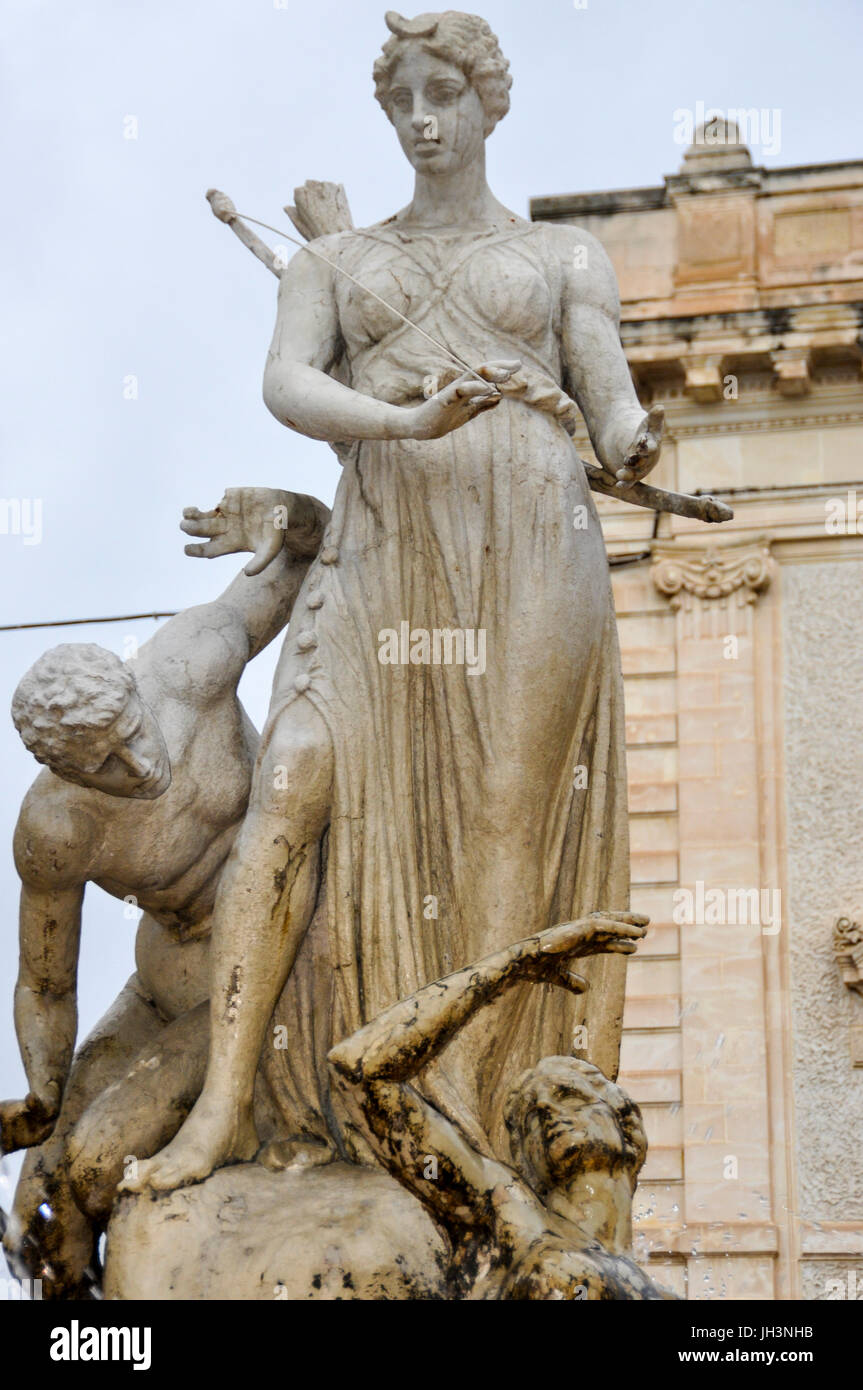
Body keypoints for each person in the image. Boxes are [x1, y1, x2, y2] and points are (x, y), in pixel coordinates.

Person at [125, 9, 664, 1194]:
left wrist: (633, 442)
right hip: (385, 542)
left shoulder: (565, 255)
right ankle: (222, 1105)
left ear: (488, 103)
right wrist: (403, 422)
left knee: (506, 820)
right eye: (402, 99)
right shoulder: (334, 262)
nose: (423, 118)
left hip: (529, 537)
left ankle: (461, 1117)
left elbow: (609, 392)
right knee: (293, 779)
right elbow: (288, 384)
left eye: (446, 94)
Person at [1, 487, 327, 1296]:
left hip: (264, 948)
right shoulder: (55, 829)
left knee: (97, 1162)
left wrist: (285, 511)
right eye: (102, 764)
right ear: (60, 769)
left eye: (133, 732)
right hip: (163, 970)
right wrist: (44, 1090)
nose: (138, 765)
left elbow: (311, 551)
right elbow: (45, 981)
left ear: (137, 691)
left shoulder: (191, 659)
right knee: (35, 1214)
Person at [328, 911, 675, 1300]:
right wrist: (520, 961)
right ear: (523, 1154)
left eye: (567, 1095)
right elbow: (359, 1068)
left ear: (628, 1126)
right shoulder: (510, 1211)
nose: (548, 1113)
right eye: (531, 1117)